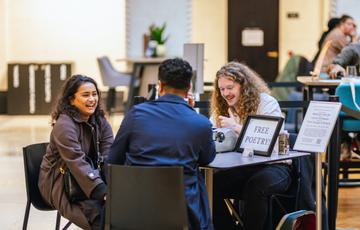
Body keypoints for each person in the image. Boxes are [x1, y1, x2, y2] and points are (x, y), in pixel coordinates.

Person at [107, 58, 216, 230]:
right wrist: (190, 111)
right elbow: (207, 158)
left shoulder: (136, 114)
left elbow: (113, 159)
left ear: (160, 85)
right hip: (182, 214)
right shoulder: (200, 123)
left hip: (132, 209)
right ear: (189, 88)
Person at [210, 62, 292, 230]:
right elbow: (210, 132)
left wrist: (235, 127)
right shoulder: (223, 108)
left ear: (243, 85)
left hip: (274, 165)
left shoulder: (266, 103)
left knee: (256, 186)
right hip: (244, 166)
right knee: (208, 186)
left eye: (230, 87)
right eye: (222, 89)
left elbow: (270, 141)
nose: (225, 93)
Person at [38, 75, 114, 230]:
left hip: (89, 177)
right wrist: (102, 192)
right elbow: (77, 163)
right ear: (71, 100)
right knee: (100, 218)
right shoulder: (64, 126)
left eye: (94, 94)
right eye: (85, 95)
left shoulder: (99, 120)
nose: (92, 99)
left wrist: (115, 185)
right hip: (60, 182)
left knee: (123, 210)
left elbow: (109, 155)